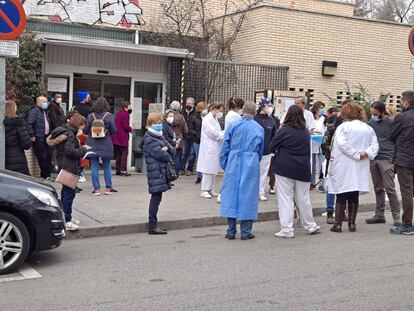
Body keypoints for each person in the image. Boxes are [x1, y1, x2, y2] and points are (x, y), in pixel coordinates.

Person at [328, 102, 379, 233]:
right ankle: (352, 224)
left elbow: (342, 144)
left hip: (344, 164)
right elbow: (375, 146)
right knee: (353, 193)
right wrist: (365, 153)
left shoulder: (343, 127)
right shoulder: (368, 128)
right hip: (360, 165)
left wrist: (356, 154)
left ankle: (338, 224)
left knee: (341, 193)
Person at [271, 105, 321, 238]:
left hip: (284, 168)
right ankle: (310, 225)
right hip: (303, 169)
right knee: (303, 198)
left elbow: (272, 146)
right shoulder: (305, 131)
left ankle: (287, 229)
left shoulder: (283, 131)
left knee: (285, 198)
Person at [220, 102, 264, 240]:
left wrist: (225, 164)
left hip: (234, 159)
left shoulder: (233, 125)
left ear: (242, 111)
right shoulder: (259, 128)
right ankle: (245, 231)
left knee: (231, 193)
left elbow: (225, 145)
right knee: (248, 194)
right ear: (254, 113)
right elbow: (261, 150)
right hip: (251, 160)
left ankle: (230, 230)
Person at [48, 113, 88, 231]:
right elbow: (70, 151)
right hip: (69, 167)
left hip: (64, 165)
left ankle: (67, 216)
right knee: (68, 194)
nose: (83, 129)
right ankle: (67, 219)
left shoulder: (64, 131)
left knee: (67, 193)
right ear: (78, 124)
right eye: (82, 126)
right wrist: (83, 149)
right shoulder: (70, 134)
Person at [365, 102, 401, 226]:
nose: (373, 115)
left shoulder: (391, 122)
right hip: (374, 157)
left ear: (381, 112)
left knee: (390, 188)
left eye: (375, 113)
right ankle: (379, 214)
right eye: (372, 113)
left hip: (387, 158)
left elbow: (398, 140)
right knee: (378, 188)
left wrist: (394, 158)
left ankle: (396, 216)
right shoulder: (370, 123)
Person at [142, 113, 175, 235]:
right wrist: (165, 150)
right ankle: (152, 225)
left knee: (157, 198)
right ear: (150, 124)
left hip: (160, 173)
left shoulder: (159, 136)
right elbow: (162, 155)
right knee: (155, 198)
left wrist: (167, 148)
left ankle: (154, 224)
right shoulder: (150, 139)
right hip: (155, 173)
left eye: (160, 123)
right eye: (156, 123)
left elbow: (173, 149)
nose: (159, 125)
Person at [389, 91, 414, 235]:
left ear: (406, 102)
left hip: (405, 159)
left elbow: (391, 135)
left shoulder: (402, 117)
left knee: (407, 192)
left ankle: (407, 225)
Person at [84, 97, 118, 196]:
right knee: (107, 166)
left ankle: (96, 189)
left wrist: (92, 132)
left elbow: (85, 130)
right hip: (106, 143)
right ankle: (108, 188)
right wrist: (106, 133)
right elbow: (114, 130)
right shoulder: (109, 116)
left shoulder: (91, 116)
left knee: (94, 166)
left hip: (92, 143)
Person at [321, 105, 343, 224]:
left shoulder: (348, 129)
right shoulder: (331, 128)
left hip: (345, 163)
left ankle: (341, 212)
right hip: (333, 161)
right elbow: (324, 144)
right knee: (331, 187)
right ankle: (330, 211)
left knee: (344, 188)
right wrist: (333, 151)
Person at [198, 102, 225, 199]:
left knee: (213, 169)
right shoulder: (207, 119)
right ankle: (204, 190)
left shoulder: (215, 119)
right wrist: (223, 134)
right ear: (215, 109)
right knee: (207, 169)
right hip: (208, 147)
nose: (221, 113)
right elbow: (213, 133)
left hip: (214, 147)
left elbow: (217, 132)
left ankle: (210, 189)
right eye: (220, 111)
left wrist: (221, 133)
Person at [254, 98, 277, 201]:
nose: (270, 108)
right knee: (254, 173)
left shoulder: (271, 120)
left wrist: (272, 148)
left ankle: (260, 192)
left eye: (271, 105)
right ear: (263, 106)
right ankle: (252, 192)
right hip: (255, 151)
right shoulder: (255, 118)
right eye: (268, 105)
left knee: (263, 173)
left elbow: (274, 135)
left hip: (267, 152)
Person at [26, 96, 53, 179]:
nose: (46, 103)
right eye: (44, 102)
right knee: (42, 157)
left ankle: (47, 175)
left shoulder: (44, 111)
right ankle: (45, 176)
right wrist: (32, 135)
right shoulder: (34, 111)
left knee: (49, 156)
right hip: (38, 138)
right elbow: (29, 124)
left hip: (46, 137)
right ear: (39, 102)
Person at [3, 100, 32, 175]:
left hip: (4, 160)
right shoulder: (18, 123)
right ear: (14, 109)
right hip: (18, 160)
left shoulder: (3, 124)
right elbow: (27, 144)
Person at [112, 101, 132, 176]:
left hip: (116, 137)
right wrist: (131, 129)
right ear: (126, 106)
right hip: (122, 137)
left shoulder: (119, 113)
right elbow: (125, 126)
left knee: (118, 154)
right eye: (130, 106)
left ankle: (117, 170)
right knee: (124, 154)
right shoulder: (125, 114)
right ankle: (123, 170)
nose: (131, 107)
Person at [191, 102, 209, 184]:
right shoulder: (195, 118)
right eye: (205, 108)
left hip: (206, 141)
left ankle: (205, 176)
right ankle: (199, 176)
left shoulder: (209, 118)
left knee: (206, 159)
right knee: (199, 159)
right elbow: (190, 129)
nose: (206, 110)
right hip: (198, 141)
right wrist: (196, 134)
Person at [310, 101, 326, 191]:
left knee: (321, 164)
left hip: (321, 144)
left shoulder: (324, 119)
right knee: (312, 165)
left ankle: (321, 184)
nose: (322, 110)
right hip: (312, 143)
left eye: (323, 108)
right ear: (316, 108)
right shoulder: (310, 118)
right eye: (321, 108)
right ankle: (312, 183)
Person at [170, 101, 188, 175]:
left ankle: (170, 172)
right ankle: (176, 173)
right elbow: (186, 130)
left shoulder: (168, 116)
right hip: (179, 139)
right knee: (177, 157)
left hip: (170, 139)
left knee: (170, 156)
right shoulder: (181, 117)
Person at [181, 97, 197, 176]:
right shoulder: (183, 112)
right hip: (185, 136)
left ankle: (189, 169)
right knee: (184, 153)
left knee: (192, 153)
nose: (188, 105)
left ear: (193, 104)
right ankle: (182, 169)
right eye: (187, 103)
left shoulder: (196, 113)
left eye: (190, 104)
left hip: (193, 136)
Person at [268, 106, 281, 195]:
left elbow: (277, 132)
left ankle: (272, 185)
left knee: (272, 167)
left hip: (272, 146)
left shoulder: (275, 119)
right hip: (264, 146)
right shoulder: (260, 118)